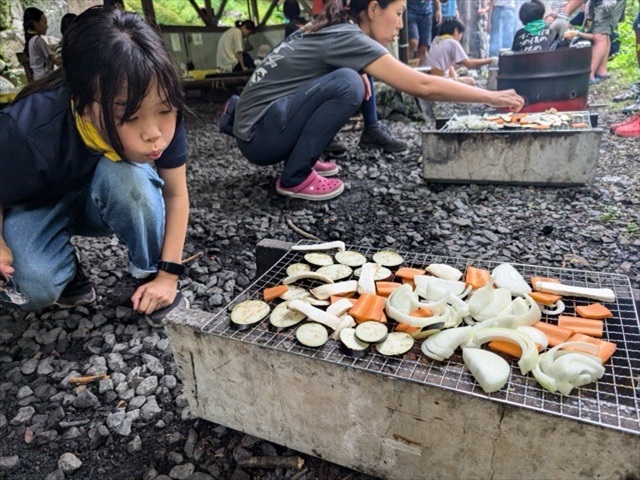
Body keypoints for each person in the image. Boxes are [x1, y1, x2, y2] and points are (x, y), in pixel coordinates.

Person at [0, 6, 190, 327]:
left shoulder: (161, 103)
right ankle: (68, 273)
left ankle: (146, 276)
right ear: (86, 107)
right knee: (32, 287)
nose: (154, 134)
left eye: (165, 111)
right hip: (37, 202)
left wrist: (167, 276)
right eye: (130, 117)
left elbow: (175, 195)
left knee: (132, 181)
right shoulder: (24, 129)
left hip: (99, 193)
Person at [230, 0, 524, 201]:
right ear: (373, 8)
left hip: (257, 127)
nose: (400, 24)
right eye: (397, 13)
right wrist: (491, 96)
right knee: (347, 85)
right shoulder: (347, 36)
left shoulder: (330, 28)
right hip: (260, 137)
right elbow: (421, 85)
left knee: (351, 77)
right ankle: (295, 177)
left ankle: (302, 158)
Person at [549, 0, 627, 83]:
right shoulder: (587, 14)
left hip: (612, 44)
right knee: (599, 37)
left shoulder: (588, 13)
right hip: (596, 40)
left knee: (599, 36)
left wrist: (577, 33)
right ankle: (601, 71)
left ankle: (589, 75)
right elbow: (586, 29)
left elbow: (595, 36)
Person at [426, 18, 497, 85]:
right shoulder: (452, 42)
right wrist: (490, 60)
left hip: (430, 78)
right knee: (471, 81)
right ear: (456, 31)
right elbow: (469, 64)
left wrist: (455, 77)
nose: (460, 37)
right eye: (461, 34)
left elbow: (451, 65)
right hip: (439, 81)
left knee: (451, 68)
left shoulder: (436, 40)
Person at [23, 7, 61, 81]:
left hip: (37, 78)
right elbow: (57, 62)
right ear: (35, 23)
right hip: (44, 79)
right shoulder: (38, 40)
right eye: (45, 23)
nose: (47, 27)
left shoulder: (31, 40)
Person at [407, 0, 442, 65]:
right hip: (410, 11)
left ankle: (417, 70)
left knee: (424, 47)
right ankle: (407, 68)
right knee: (413, 42)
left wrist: (438, 10)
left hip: (426, 13)